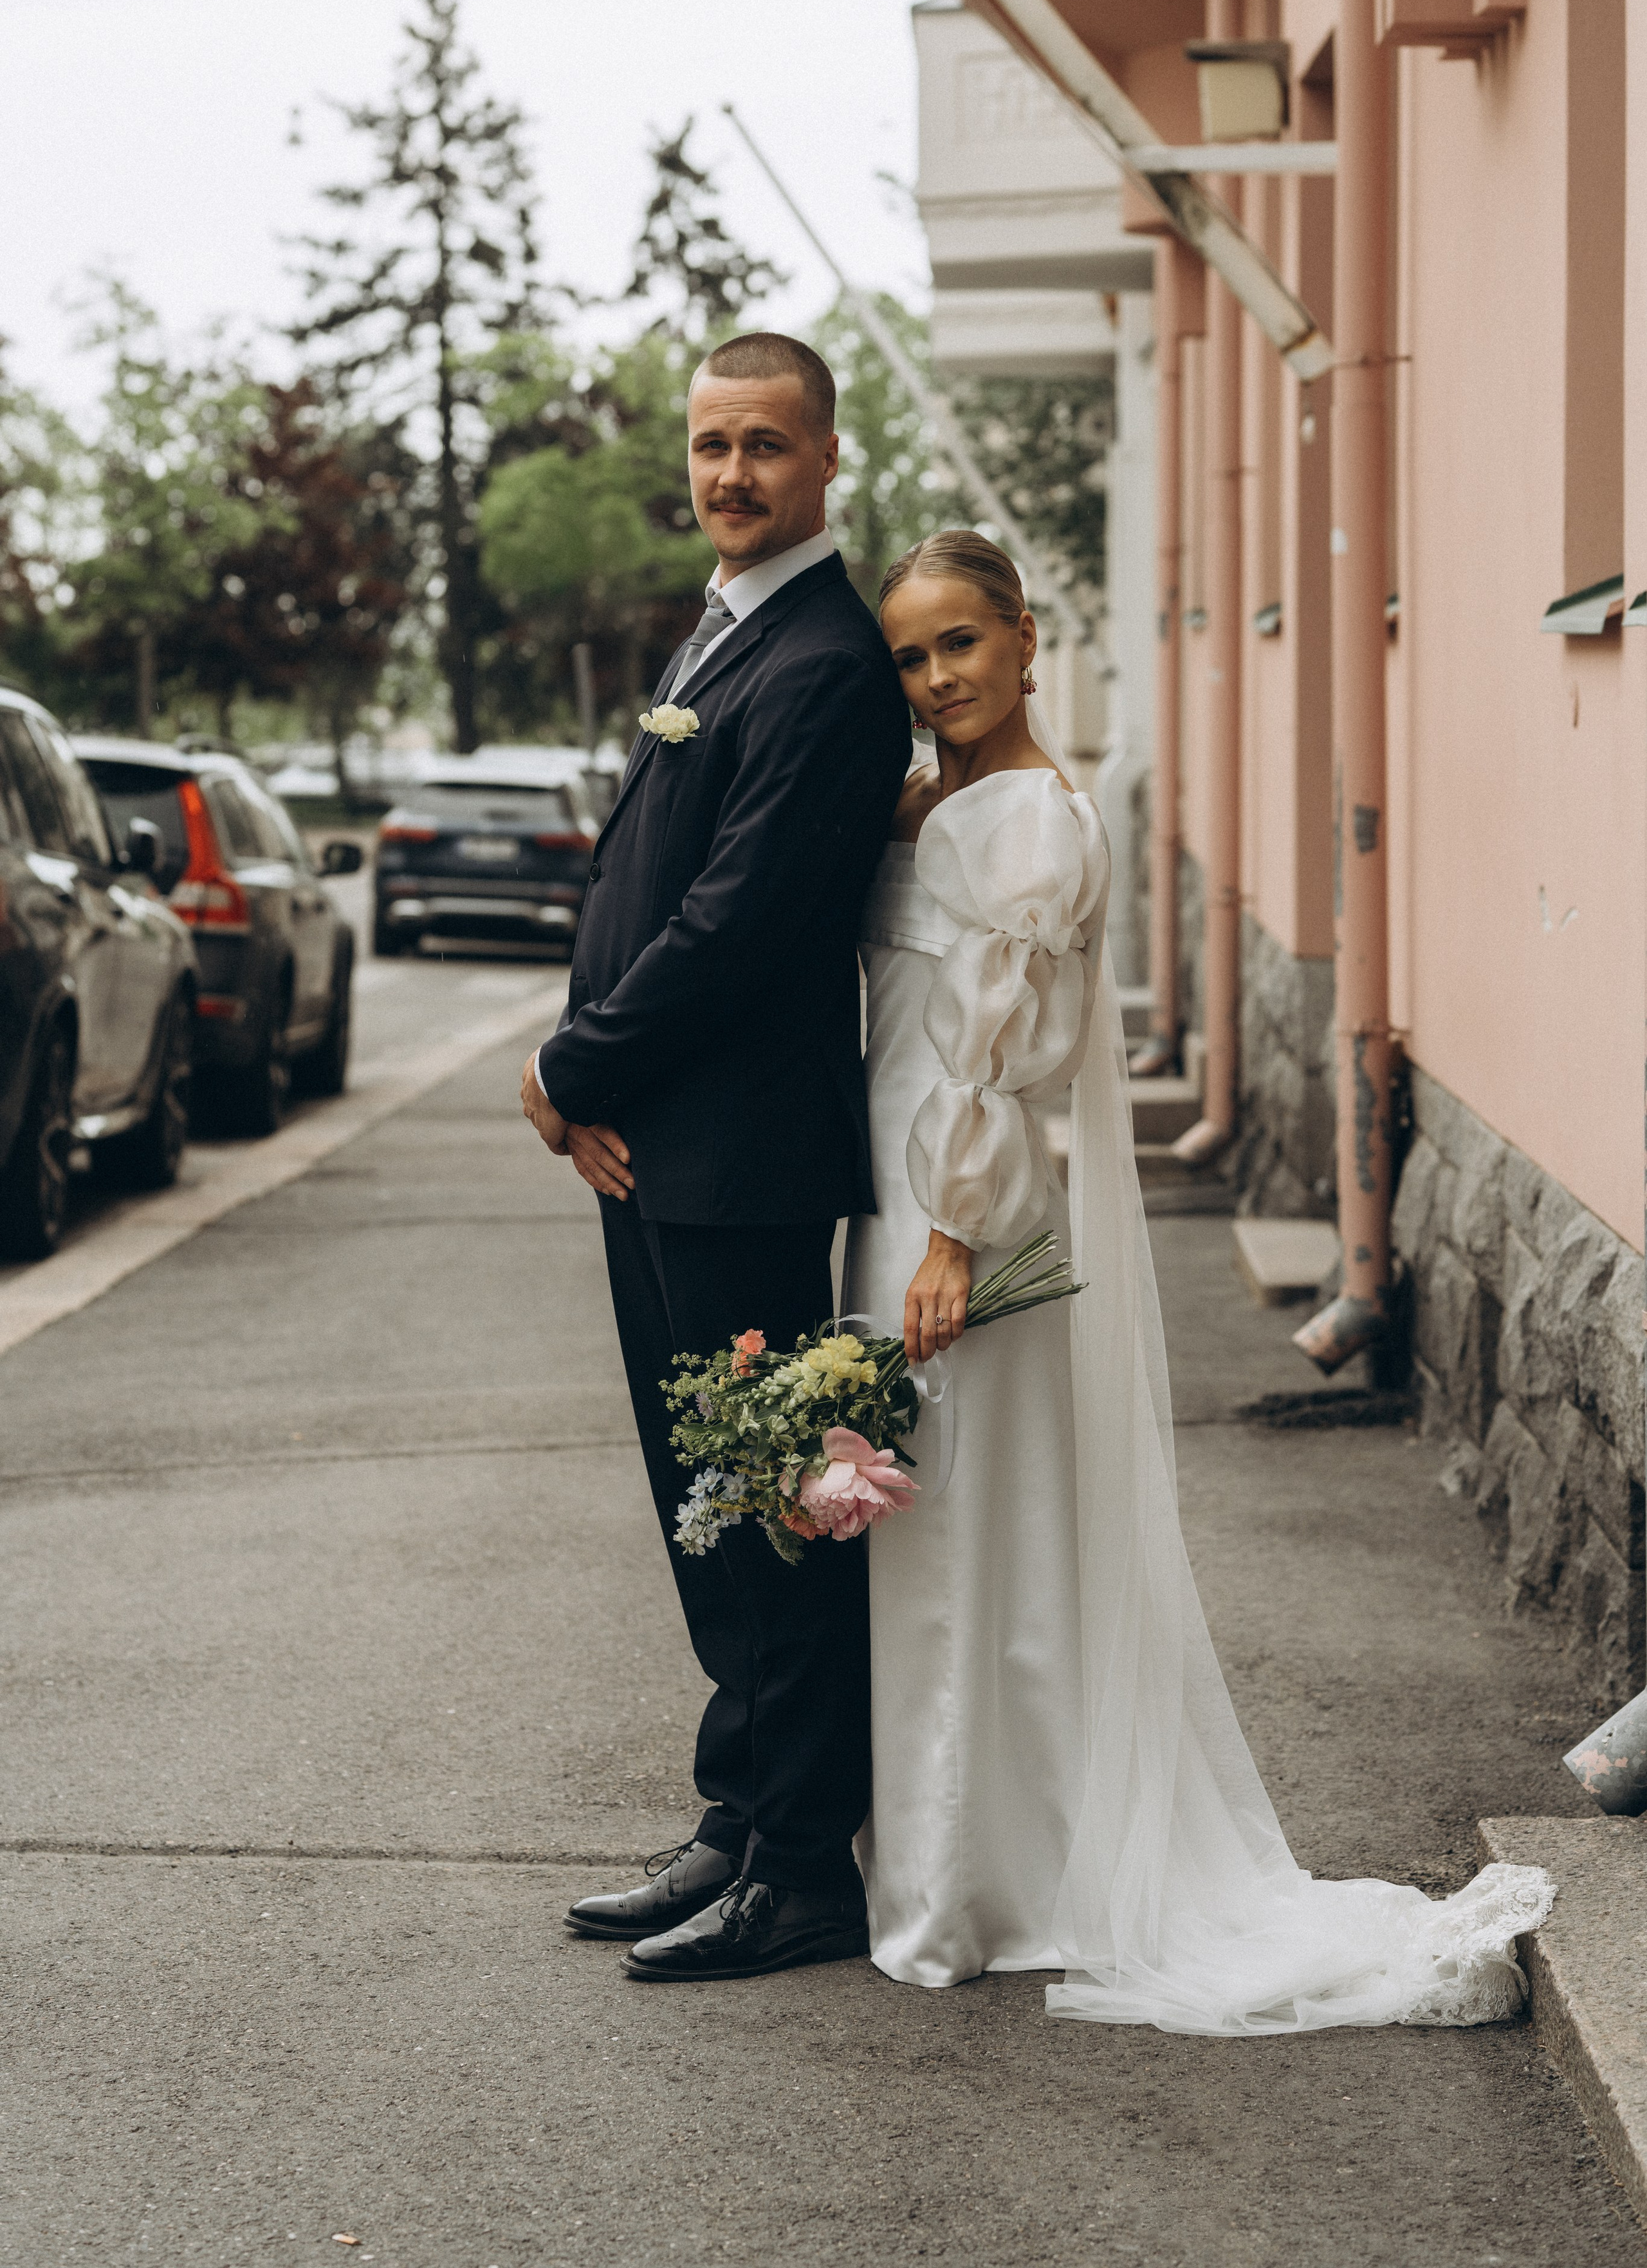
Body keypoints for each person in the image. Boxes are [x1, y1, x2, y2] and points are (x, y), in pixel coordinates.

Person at [843, 528, 1554, 2033]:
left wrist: (956, 1235)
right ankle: (951, 1850)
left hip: (958, 1213)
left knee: (964, 1523)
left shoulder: (1026, 820)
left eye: (958, 643)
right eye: (907, 656)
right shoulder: (940, 803)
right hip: (901, 1196)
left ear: (1026, 638)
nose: (935, 678)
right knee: (938, 1523)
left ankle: (974, 1882)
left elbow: (1002, 1046)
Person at [522, 332, 910, 1984]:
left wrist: (567, 1063)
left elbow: (736, 927)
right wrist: (586, 1075)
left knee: (774, 1513)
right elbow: (651, 882)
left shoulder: (822, 660)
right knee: (709, 1505)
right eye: (707, 445)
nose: (730, 474)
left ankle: (805, 1865)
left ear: (828, 460)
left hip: (741, 1158)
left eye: (763, 445)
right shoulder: (724, 629)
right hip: (659, 1153)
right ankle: (737, 1819)